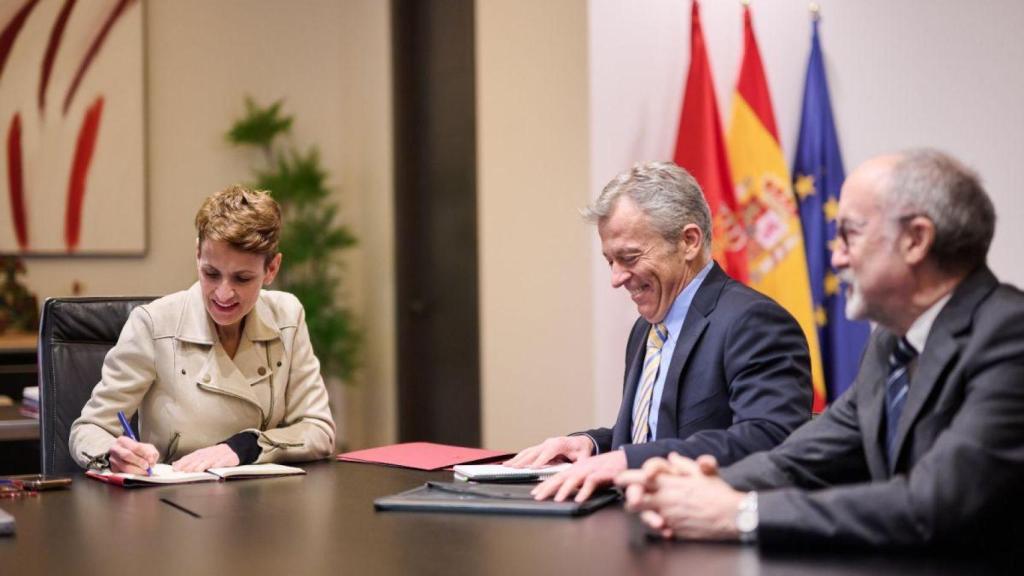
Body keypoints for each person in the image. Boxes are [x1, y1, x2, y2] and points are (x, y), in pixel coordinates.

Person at [618, 149, 1024, 548]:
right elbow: (801, 458)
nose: (835, 257)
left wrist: (741, 513)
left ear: (916, 240)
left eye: (849, 234)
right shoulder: (890, 342)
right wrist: (694, 487)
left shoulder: (1010, 335)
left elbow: (932, 504)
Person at [506, 161, 812, 502]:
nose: (617, 278)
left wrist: (625, 460)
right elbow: (654, 438)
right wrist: (591, 446)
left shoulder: (754, 322)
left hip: (709, 538)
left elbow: (766, 439)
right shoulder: (645, 328)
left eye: (630, 257)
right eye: (611, 261)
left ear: (689, 242)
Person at [70, 186, 336, 474]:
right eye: (211, 273)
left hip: (265, 499)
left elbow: (318, 429)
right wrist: (112, 453)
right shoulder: (153, 324)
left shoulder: (287, 316)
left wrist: (246, 446)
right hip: (174, 502)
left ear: (272, 269)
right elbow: (89, 429)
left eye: (242, 278)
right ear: (197, 253)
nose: (223, 293)